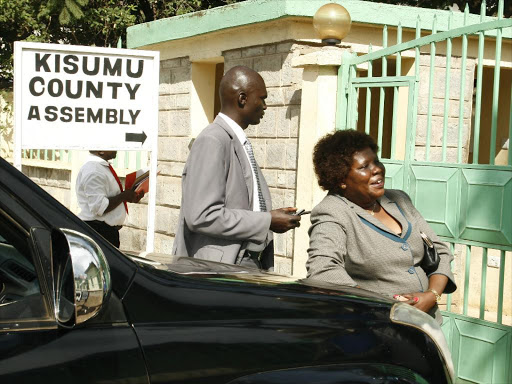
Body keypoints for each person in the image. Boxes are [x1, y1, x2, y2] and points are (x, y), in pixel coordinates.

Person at [306, 130, 456, 323]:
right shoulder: (333, 211)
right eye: (364, 166)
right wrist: (382, 304)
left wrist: (431, 294)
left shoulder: (399, 200)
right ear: (341, 179)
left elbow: (440, 250)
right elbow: (322, 270)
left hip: (427, 323)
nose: (377, 169)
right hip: (378, 327)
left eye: (376, 161)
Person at [172, 66, 301, 270]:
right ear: (242, 98)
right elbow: (201, 215)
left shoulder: (235, 141)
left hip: (245, 262)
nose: (265, 107)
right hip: (220, 268)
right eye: (262, 98)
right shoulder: (213, 140)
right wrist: (266, 220)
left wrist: (273, 216)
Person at [76, 150, 144, 248]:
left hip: (107, 232)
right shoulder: (94, 170)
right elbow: (100, 207)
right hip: (99, 232)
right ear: (101, 151)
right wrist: (124, 196)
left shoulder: (101, 167)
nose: (116, 148)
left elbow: (110, 197)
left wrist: (130, 196)